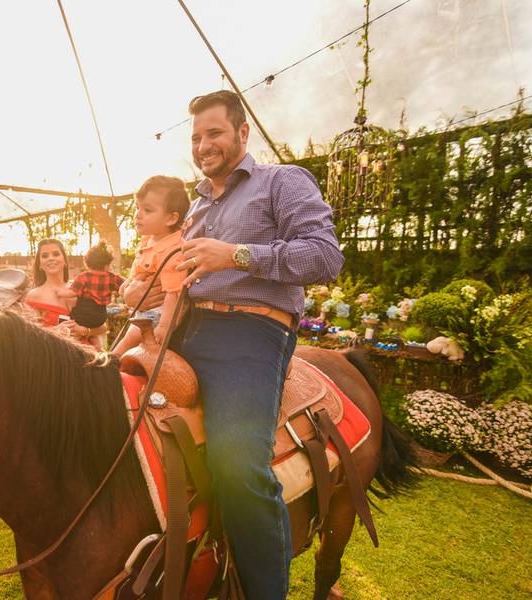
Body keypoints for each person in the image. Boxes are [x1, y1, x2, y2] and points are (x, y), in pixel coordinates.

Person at [124, 91, 344, 598]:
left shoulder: (281, 181)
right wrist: (148, 288)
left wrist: (235, 255)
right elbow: (182, 277)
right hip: (181, 326)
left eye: (215, 133)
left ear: (243, 133)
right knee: (114, 412)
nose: (204, 145)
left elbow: (324, 257)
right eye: (197, 137)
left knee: (238, 464)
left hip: (250, 332)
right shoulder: (194, 204)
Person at [112, 175, 190, 355]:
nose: (138, 214)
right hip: (147, 309)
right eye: (138, 207)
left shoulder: (174, 250)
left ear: (171, 218)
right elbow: (141, 269)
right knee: (131, 338)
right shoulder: (149, 241)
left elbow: (174, 294)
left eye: (147, 210)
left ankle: (111, 360)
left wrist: (164, 327)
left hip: (165, 313)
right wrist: (129, 282)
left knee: (131, 337)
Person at [25, 238, 105, 344]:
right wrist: (55, 331)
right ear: (40, 264)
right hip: (56, 356)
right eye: (45, 256)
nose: (51, 258)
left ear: (64, 260)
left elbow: (103, 326)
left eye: (56, 254)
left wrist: (85, 331)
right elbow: (30, 335)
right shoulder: (34, 296)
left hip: (90, 354)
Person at [56, 241, 123, 350]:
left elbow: (72, 292)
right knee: (92, 330)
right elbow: (125, 287)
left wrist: (59, 293)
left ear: (87, 262)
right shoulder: (112, 278)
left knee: (71, 319)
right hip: (100, 316)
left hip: (84, 314)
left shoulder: (84, 276)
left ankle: (73, 345)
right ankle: (97, 347)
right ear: (107, 264)